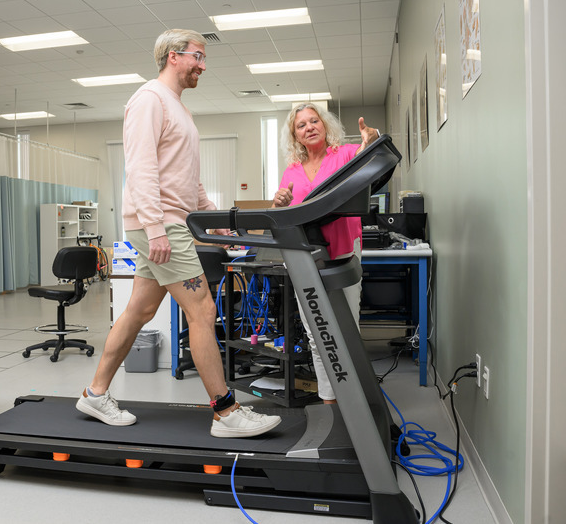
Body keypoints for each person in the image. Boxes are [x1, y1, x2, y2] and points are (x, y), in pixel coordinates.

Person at [75, 28, 281, 438]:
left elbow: (189, 180)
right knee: (203, 309)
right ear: (173, 56)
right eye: (198, 56)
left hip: (171, 219)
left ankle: (95, 393)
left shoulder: (177, 107)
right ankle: (226, 412)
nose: (203, 65)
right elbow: (141, 169)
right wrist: (156, 229)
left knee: (139, 310)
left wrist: (215, 221)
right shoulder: (149, 99)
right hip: (161, 223)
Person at [271, 102, 380, 404]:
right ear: (296, 136)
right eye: (301, 125)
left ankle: (355, 400)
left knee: (347, 331)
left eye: (313, 121)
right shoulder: (292, 171)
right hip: (306, 258)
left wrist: (371, 140)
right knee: (318, 334)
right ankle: (329, 400)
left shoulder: (344, 155)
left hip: (344, 251)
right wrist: (280, 202)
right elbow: (283, 210)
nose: (309, 127)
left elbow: (367, 161)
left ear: (324, 124)